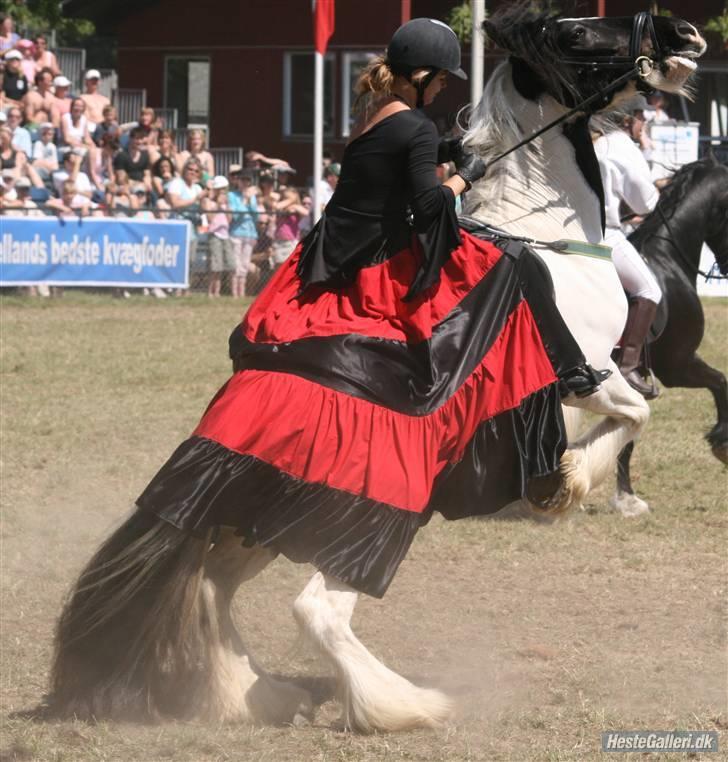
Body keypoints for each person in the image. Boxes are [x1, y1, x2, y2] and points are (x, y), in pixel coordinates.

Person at [134, 17, 606, 607]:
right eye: (441, 81)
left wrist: (452, 149)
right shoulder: (413, 126)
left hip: (332, 256)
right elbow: (430, 208)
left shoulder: (381, 114)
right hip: (379, 265)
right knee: (515, 264)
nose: (444, 91)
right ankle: (567, 370)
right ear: (424, 75)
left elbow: (399, 159)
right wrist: (464, 175)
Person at [594, 95, 662, 399]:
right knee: (650, 290)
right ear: (626, 120)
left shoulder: (596, 142)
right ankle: (628, 366)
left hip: (581, 227)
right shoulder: (621, 145)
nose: (643, 123)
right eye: (640, 118)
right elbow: (645, 201)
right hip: (606, 235)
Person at [203, 175, 236, 297]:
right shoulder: (209, 202)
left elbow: (229, 220)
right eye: (221, 189)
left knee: (230, 264)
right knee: (215, 265)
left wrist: (226, 206)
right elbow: (209, 218)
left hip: (225, 235)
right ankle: (211, 293)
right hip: (214, 235)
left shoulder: (226, 203)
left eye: (224, 189)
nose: (223, 191)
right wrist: (217, 204)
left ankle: (219, 292)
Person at [228, 168, 259, 297]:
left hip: (250, 234)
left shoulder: (252, 197)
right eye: (243, 180)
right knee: (236, 263)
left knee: (245, 264)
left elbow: (256, 215)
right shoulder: (232, 195)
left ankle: (242, 293)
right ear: (238, 181)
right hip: (236, 233)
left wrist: (250, 201)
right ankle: (235, 294)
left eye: (248, 181)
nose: (245, 183)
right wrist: (244, 201)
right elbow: (235, 215)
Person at [113, 126, 151, 191]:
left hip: (142, 185)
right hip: (127, 186)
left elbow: (147, 173)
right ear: (130, 139)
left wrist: (147, 183)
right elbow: (121, 177)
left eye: (141, 139)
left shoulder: (145, 154)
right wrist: (138, 184)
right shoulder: (122, 155)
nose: (139, 142)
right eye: (136, 139)